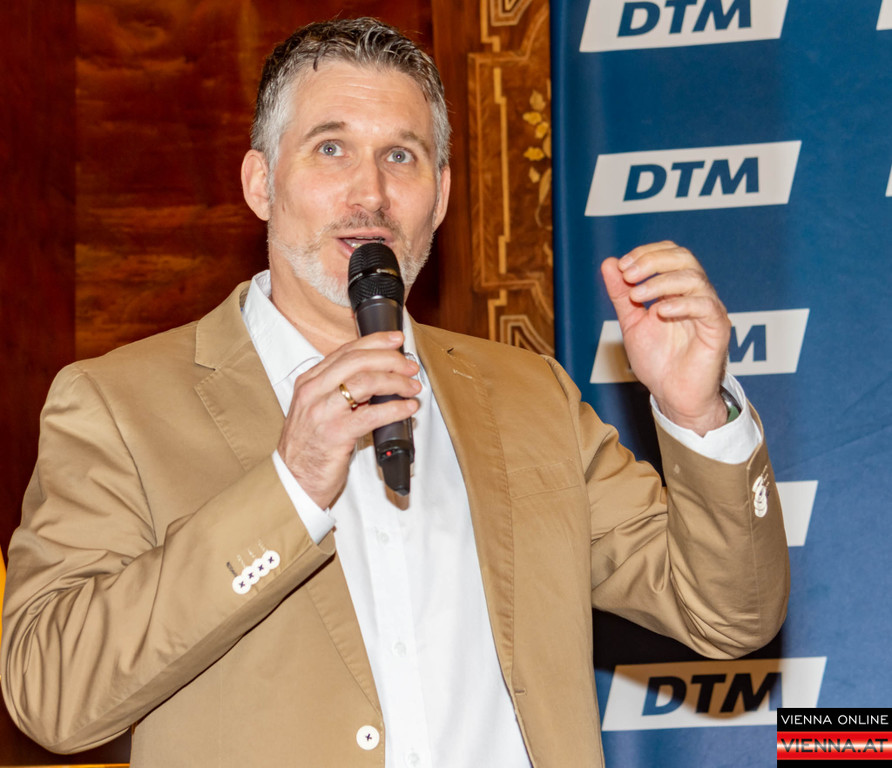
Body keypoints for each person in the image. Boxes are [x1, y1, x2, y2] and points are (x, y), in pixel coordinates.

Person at [0, 17, 788, 768]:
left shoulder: (531, 397)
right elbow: (51, 693)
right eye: (331, 148)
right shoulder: (119, 405)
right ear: (261, 183)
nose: (370, 193)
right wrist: (288, 490)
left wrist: (696, 414)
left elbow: (729, 613)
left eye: (401, 156)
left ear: (439, 197)